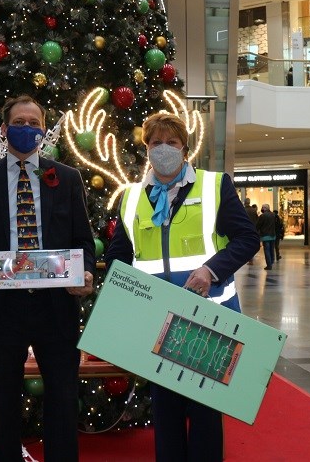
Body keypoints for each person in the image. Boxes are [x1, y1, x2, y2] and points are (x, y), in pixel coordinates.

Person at [104, 112, 259, 462]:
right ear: (146, 149)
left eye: (171, 143)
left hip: (207, 320)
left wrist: (211, 270)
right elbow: (118, 256)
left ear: (185, 149)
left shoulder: (214, 185)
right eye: (155, 143)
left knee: (205, 412)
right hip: (157, 320)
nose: (163, 149)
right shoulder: (130, 197)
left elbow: (247, 238)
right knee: (166, 412)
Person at [0, 95, 95, 462]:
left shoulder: (66, 178)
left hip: (55, 308)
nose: (27, 129)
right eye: (20, 121)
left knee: (63, 402)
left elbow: (83, 240)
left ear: (44, 131)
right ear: (4, 130)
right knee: (4, 405)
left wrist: (88, 271)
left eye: (34, 123)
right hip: (0, 310)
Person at [256, 203, 277, 270]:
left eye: (262, 207)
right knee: (271, 249)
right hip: (273, 235)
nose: (261, 209)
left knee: (267, 250)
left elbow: (258, 225)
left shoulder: (262, 216)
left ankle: (269, 265)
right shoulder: (273, 215)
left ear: (264, 208)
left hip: (265, 236)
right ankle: (272, 261)